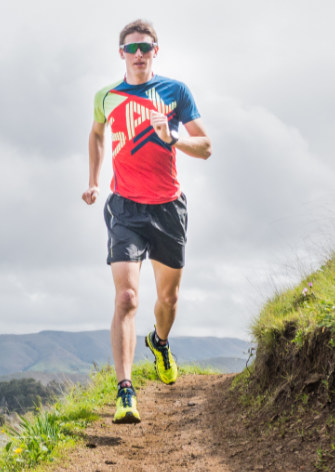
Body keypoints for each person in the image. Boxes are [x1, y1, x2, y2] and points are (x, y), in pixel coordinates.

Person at [82, 19, 212, 424]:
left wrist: (174, 137)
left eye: (146, 47)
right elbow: (98, 134)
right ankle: (125, 392)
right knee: (127, 298)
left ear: (157, 50)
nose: (139, 54)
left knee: (168, 300)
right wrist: (93, 181)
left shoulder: (175, 92)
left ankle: (160, 342)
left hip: (168, 208)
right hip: (125, 208)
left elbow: (205, 146)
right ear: (121, 53)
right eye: (131, 48)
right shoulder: (107, 96)